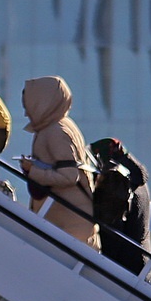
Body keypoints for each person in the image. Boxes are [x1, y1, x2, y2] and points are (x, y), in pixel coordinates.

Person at [20, 77, 97, 247]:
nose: (26, 113)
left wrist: (33, 170)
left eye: (29, 107)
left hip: (69, 223)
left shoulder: (56, 132)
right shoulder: (61, 125)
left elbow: (69, 175)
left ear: (42, 104)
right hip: (67, 220)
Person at [90, 137, 151, 275]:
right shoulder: (138, 182)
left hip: (122, 265)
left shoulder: (115, 185)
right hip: (142, 260)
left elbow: (112, 230)